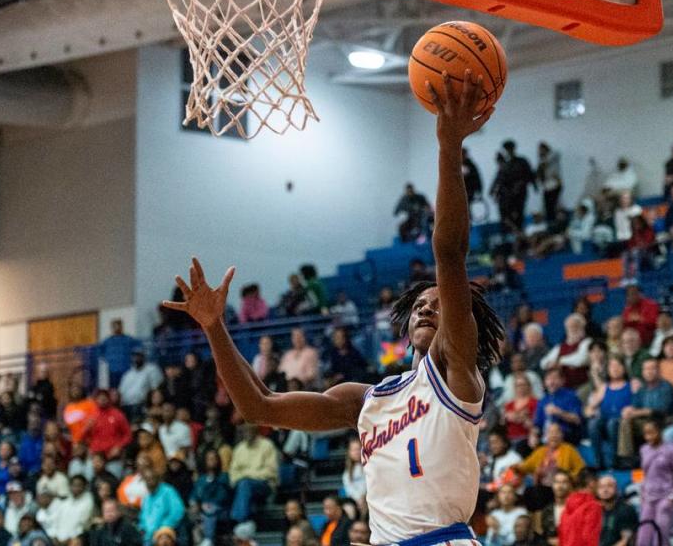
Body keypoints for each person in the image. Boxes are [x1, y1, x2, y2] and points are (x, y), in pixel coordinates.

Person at [162, 74, 506, 546]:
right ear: (404, 321)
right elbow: (256, 406)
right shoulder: (365, 401)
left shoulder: (456, 376)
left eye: (439, 304)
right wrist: (214, 326)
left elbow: (449, 253)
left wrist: (449, 146)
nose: (429, 309)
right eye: (419, 305)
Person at [637, 419, 673, 546]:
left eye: (652, 433)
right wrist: (642, 492)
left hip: (665, 498)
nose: (649, 437)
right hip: (648, 497)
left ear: (659, 432)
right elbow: (644, 474)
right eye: (646, 434)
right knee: (643, 535)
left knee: (660, 536)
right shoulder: (643, 449)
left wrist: (672, 497)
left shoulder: (672, 450)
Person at [585, 356, 631, 470]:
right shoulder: (604, 387)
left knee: (612, 424)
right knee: (593, 424)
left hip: (622, 420)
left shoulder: (631, 385)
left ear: (624, 368)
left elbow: (637, 403)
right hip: (605, 418)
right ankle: (598, 461)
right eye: (612, 366)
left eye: (618, 366)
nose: (614, 369)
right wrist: (590, 411)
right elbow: (589, 408)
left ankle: (615, 460)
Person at [228, 424, 279, 527]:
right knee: (241, 484)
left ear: (256, 431)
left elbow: (270, 472)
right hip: (243, 485)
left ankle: (239, 520)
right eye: (245, 431)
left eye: (249, 431)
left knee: (245, 483)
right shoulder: (239, 448)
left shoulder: (267, 445)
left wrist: (247, 474)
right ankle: (243, 520)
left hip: (265, 485)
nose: (247, 434)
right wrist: (246, 476)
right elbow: (233, 473)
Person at [493, 140, 536, 234]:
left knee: (519, 214)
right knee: (509, 216)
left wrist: (530, 185)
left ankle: (519, 235)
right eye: (506, 149)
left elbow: (529, 175)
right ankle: (514, 235)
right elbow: (501, 179)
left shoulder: (522, 161)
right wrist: (496, 192)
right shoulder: (506, 164)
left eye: (509, 149)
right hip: (508, 195)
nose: (508, 151)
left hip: (520, 193)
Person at [539, 315, 591, 390]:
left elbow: (581, 360)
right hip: (562, 388)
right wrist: (550, 364)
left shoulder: (587, 342)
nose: (573, 329)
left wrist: (560, 361)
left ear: (582, 328)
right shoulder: (559, 347)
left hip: (581, 386)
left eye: (576, 326)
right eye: (570, 327)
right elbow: (543, 363)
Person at [533, 369, 583, 444]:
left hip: (565, 434)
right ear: (545, 382)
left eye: (555, 378)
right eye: (548, 379)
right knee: (524, 445)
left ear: (562, 381)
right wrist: (533, 435)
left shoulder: (570, 396)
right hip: (546, 435)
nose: (551, 382)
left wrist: (559, 413)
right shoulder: (543, 400)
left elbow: (577, 420)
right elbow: (537, 424)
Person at [86, 389, 132, 464]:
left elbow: (128, 435)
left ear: (108, 399)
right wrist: (87, 429)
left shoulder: (118, 414)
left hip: (113, 456)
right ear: (96, 400)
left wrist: (119, 446)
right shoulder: (91, 416)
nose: (102, 399)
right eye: (100, 397)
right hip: (95, 455)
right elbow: (83, 437)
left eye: (104, 397)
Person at [118, 350, 164, 420]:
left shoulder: (152, 369)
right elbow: (121, 391)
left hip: (142, 404)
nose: (137, 358)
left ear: (144, 357)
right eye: (135, 356)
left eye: (139, 356)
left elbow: (156, 388)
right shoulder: (128, 374)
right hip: (127, 406)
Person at [99, 319, 141, 389]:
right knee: (113, 389)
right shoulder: (107, 341)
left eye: (118, 326)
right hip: (112, 371)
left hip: (125, 369)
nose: (117, 328)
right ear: (112, 328)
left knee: (126, 387)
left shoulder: (128, 339)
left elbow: (139, 347)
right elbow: (99, 351)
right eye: (115, 326)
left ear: (122, 326)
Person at [533, 470, 572, 546]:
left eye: (564, 482)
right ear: (552, 485)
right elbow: (542, 537)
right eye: (557, 482)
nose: (560, 486)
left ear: (570, 485)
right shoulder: (546, 511)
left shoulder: (577, 510)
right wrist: (549, 541)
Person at [595, 476, 637, 546]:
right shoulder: (597, 511)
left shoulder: (626, 510)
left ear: (617, 489)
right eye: (601, 487)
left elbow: (625, 541)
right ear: (597, 492)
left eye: (609, 486)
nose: (605, 490)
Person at [536, 142, 562, 223]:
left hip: (555, 184)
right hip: (547, 186)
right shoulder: (541, 160)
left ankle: (555, 222)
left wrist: (542, 160)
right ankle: (550, 223)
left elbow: (545, 163)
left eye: (541, 149)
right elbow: (539, 172)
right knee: (547, 207)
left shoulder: (553, 155)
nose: (540, 151)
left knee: (554, 205)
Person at [462, 148, 484, 215]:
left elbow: (477, 178)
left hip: (468, 191)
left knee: (466, 211)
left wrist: (479, 190)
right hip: (460, 193)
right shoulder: (456, 165)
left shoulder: (470, 165)